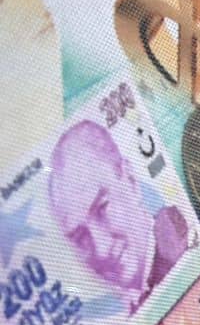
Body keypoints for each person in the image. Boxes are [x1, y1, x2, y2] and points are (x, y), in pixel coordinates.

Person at [48, 118, 190, 308]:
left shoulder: (185, 243)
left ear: (130, 180)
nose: (102, 248)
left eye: (102, 208)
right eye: (80, 237)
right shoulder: (129, 312)